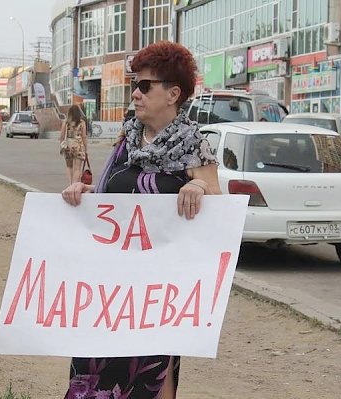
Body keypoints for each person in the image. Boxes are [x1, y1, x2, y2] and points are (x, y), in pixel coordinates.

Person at [61, 41, 221, 399]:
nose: (135, 93)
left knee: (148, 375)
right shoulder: (128, 137)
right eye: (135, 84)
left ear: (173, 94)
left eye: (145, 85)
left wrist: (198, 185)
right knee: (94, 378)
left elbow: (217, 210)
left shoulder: (195, 145)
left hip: (157, 298)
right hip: (108, 292)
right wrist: (84, 196)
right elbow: (108, 197)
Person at [59, 104, 88, 184]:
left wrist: (61, 144)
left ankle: (70, 184)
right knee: (77, 168)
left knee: (69, 166)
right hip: (78, 146)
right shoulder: (82, 123)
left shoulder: (66, 122)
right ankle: (74, 185)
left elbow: (62, 135)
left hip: (68, 146)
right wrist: (86, 149)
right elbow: (84, 136)